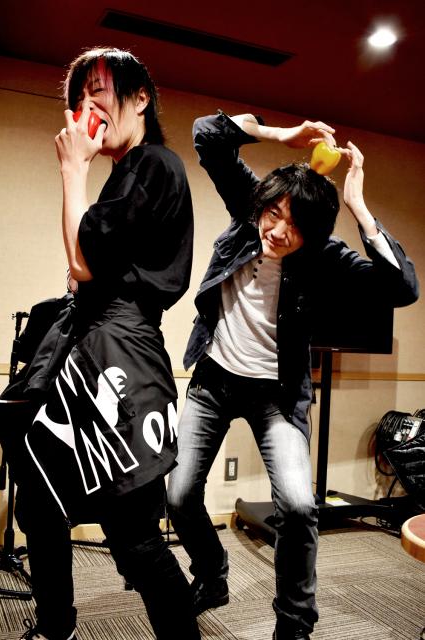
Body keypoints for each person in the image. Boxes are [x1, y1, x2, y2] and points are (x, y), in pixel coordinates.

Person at [166, 110, 419, 640]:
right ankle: (212, 573)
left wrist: (359, 205)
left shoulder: (324, 257)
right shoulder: (249, 211)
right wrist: (279, 134)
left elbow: (402, 289)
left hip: (276, 398)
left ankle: (294, 624)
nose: (279, 232)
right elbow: (207, 134)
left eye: (297, 226)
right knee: (180, 497)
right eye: (274, 215)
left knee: (301, 507)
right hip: (213, 381)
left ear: (315, 233)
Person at [8, 47, 200, 640]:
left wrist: (72, 171)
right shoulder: (129, 172)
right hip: (95, 346)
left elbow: (82, 263)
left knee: (135, 537)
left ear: (141, 99)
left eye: (99, 92)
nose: (87, 108)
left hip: (121, 354)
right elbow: (83, 264)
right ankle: (56, 626)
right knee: (38, 501)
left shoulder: (155, 164)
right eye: (79, 99)